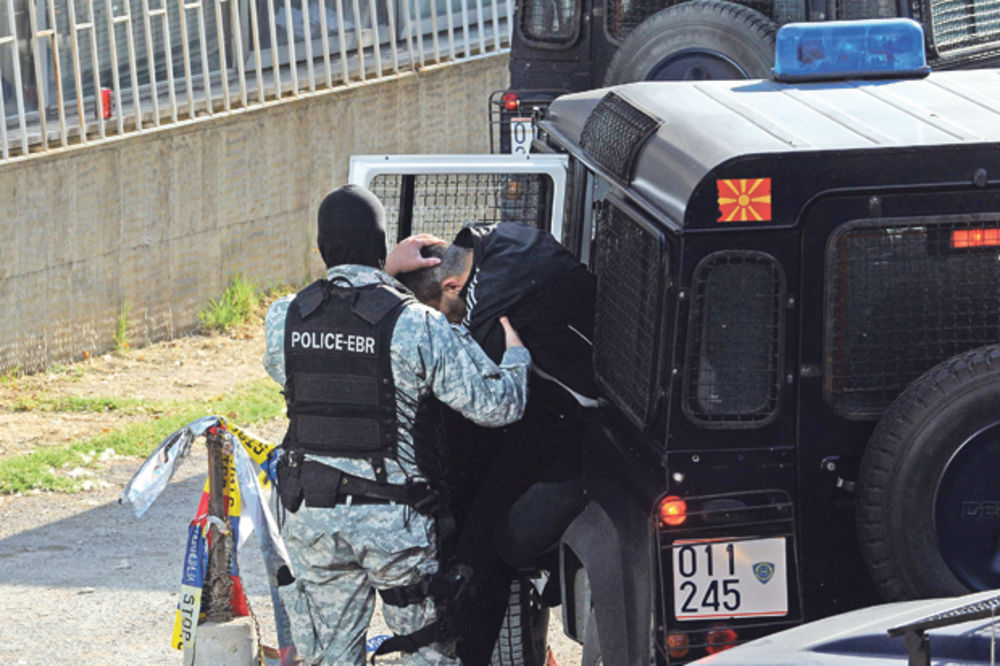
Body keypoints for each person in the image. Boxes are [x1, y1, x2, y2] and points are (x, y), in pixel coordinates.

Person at [263, 186, 532, 666]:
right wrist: (516, 354)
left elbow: (341, 327)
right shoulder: (416, 324)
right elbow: (497, 407)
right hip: (395, 524)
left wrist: (380, 272)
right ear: (380, 244)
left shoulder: (284, 318)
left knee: (329, 656)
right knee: (426, 652)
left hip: (311, 516)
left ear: (322, 247)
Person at [394, 221, 598, 664]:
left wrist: (381, 273)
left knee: (493, 546)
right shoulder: (495, 240)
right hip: (552, 411)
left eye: (444, 314)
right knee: (477, 518)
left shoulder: (487, 304)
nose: (447, 323)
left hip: (588, 429)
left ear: (452, 284)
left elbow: (484, 401)